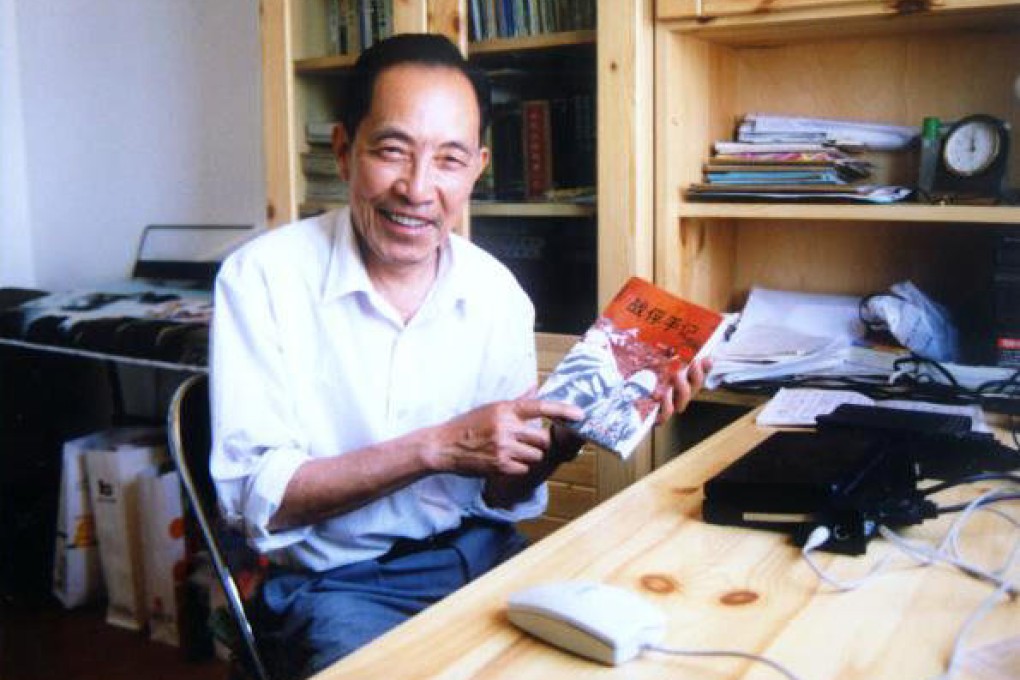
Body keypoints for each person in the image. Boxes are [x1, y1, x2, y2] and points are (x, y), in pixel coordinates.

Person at [209, 33, 708, 680]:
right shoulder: (262, 279)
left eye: (448, 160)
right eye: (392, 151)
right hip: (337, 588)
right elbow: (259, 499)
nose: (417, 189)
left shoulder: (496, 294)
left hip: (486, 556)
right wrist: (439, 446)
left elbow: (500, 496)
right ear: (343, 150)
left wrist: (561, 439)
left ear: (477, 169)